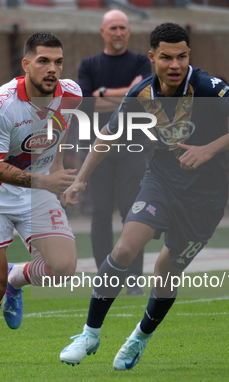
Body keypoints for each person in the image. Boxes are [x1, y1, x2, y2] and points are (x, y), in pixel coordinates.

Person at [59, 23, 229, 370]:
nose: (176, 64)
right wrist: (80, 179)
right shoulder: (141, 93)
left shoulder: (205, 86)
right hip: (161, 182)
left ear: (189, 56)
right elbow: (108, 136)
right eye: (168, 57)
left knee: (165, 271)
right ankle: (89, 334)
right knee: (125, 248)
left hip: (206, 198)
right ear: (152, 57)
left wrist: (209, 149)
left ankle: (139, 337)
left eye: (183, 56)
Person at [0, 32, 82, 365]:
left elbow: (60, 130)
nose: (52, 69)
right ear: (26, 64)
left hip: (38, 190)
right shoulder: (2, 105)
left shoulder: (71, 94)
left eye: (58, 62)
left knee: (63, 268)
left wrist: (59, 176)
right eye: (43, 61)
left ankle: (18, 277)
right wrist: (45, 180)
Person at [77, 9, 152, 295]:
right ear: (103, 32)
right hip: (97, 148)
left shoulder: (141, 61)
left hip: (133, 148)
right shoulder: (89, 65)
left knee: (133, 214)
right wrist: (127, 93)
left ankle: (133, 278)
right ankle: (105, 277)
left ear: (129, 31)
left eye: (123, 27)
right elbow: (87, 104)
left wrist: (102, 94)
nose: (118, 32)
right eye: (113, 28)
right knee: (100, 214)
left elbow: (144, 99)